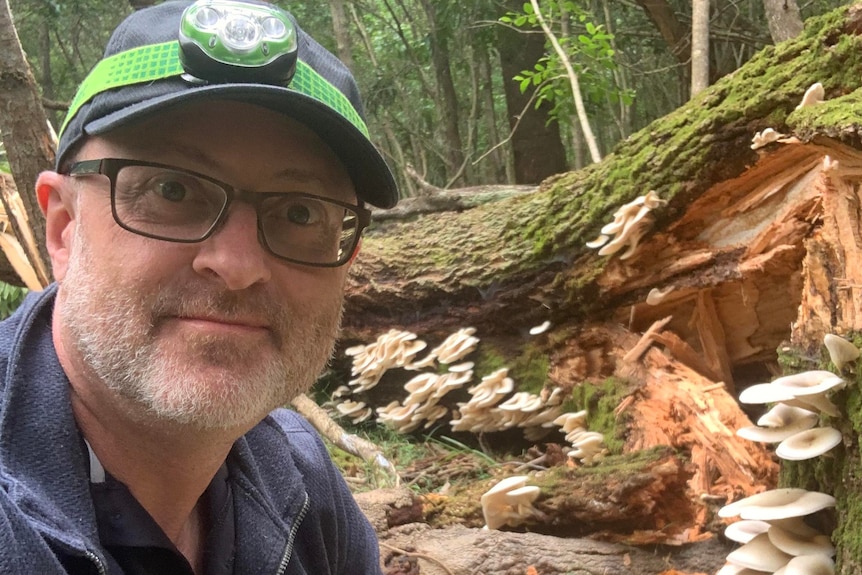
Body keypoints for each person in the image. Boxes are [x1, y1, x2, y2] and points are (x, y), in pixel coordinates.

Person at [0, 0, 398, 573]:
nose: (237, 265)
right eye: (172, 192)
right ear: (63, 228)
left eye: (302, 213)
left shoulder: (302, 480)